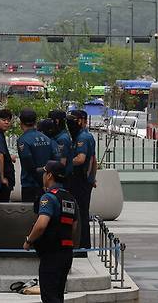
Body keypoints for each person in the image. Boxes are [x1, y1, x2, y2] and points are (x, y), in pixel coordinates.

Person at [23, 161, 78, 303]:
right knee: (58, 295)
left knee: (49, 297)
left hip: (51, 253)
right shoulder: (71, 199)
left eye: (44, 173)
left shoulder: (48, 197)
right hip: (66, 253)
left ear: (49, 176)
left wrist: (29, 241)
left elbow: (41, 224)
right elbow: (74, 227)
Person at [66, 109, 97, 254]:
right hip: (85, 181)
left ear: (81, 120)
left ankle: (82, 246)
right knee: (81, 213)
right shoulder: (81, 136)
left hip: (80, 181)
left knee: (80, 214)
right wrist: (92, 178)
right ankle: (83, 245)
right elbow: (94, 160)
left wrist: (64, 164)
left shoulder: (83, 137)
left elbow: (82, 159)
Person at [17, 109, 58, 206]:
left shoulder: (23, 140)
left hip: (30, 184)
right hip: (47, 183)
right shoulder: (47, 139)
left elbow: (28, 165)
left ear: (21, 122)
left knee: (29, 214)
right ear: (35, 122)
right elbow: (55, 160)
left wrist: (40, 181)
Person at [0, 109, 15, 202]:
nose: (7, 122)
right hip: (2, 180)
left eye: (8, 120)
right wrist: (2, 178)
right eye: (4, 120)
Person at [48, 110, 74, 177]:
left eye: (50, 120)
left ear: (57, 121)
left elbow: (62, 163)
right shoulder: (57, 135)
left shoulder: (62, 138)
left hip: (61, 177)